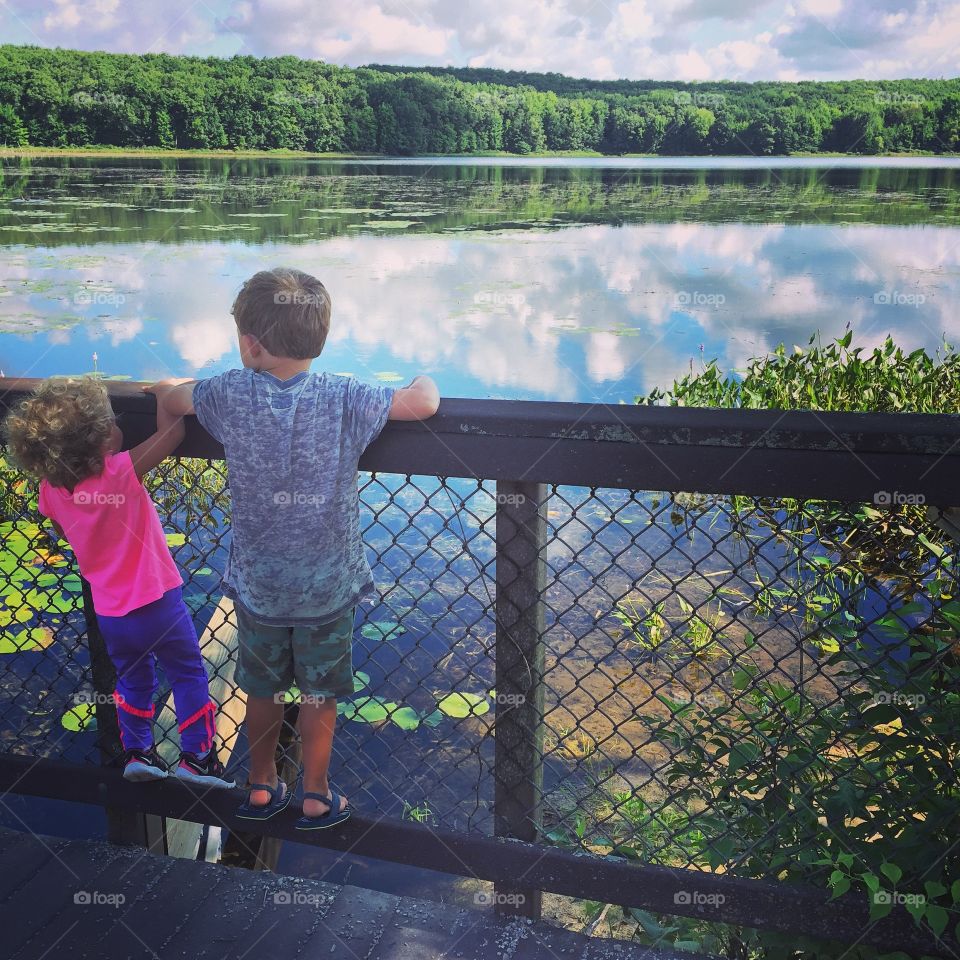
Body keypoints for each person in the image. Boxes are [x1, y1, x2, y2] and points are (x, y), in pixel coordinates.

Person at [161, 267, 439, 829]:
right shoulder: (344, 395)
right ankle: (315, 793)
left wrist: (166, 391)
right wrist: (423, 376)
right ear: (320, 337)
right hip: (327, 586)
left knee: (260, 688)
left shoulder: (229, 394)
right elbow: (422, 405)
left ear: (248, 343)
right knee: (318, 695)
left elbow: (175, 398)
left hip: (261, 586)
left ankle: (261, 786)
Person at [4, 376, 235, 788]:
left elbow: (62, 523)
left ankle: (137, 752)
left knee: (133, 678)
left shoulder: (49, 491)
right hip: (158, 602)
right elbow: (174, 432)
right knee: (187, 674)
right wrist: (167, 393)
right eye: (111, 421)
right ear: (100, 442)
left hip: (111, 612)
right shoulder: (120, 472)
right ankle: (198, 758)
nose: (118, 424)